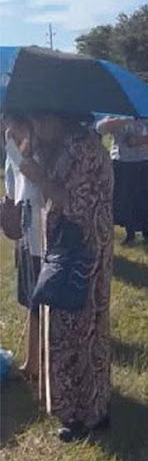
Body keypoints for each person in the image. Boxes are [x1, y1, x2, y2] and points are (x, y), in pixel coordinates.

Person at [18, 110, 113, 442]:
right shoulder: (65, 146)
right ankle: (83, 408)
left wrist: (38, 176)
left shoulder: (85, 151)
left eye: (42, 120)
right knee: (71, 327)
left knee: (80, 331)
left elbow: (75, 205)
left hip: (82, 254)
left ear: (62, 118)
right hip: (68, 248)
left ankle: (84, 415)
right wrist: (35, 156)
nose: (38, 127)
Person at [2, 114, 44, 380]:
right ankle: (33, 360)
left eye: (13, 127)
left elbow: (34, 182)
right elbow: (14, 188)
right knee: (30, 298)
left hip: (41, 238)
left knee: (37, 300)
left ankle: (35, 361)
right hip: (28, 237)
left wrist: (13, 150)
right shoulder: (17, 153)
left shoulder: (40, 154)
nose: (9, 132)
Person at [96, 116, 148, 245]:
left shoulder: (147, 114)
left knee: (144, 196)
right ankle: (130, 233)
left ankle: (145, 232)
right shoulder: (116, 113)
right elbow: (100, 129)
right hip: (122, 161)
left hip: (145, 161)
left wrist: (139, 140)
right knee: (126, 197)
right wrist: (124, 120)